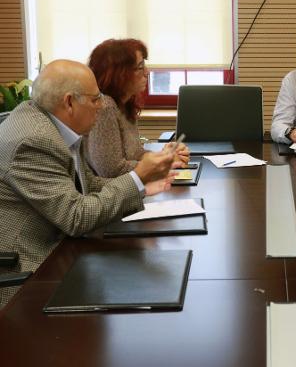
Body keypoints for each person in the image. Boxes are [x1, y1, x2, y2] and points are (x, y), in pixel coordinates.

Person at [0, 60, 176, 307]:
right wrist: (136, 177)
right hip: (30, 276)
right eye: (95, 99)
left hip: (60, 250)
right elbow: (75, 217)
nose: (102, 105)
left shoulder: (57, 124)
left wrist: (141, 187)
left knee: (153, 277)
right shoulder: (34, 141)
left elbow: (86, 184)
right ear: (69, 102)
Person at [86, 38, 189, 178]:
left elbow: (136, 155)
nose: (147, 72)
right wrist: (164, 164)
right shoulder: (105, 107)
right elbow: (111, 171)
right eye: (140, 67)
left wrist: (164, 156)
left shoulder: (125, 103)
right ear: (119, 74)